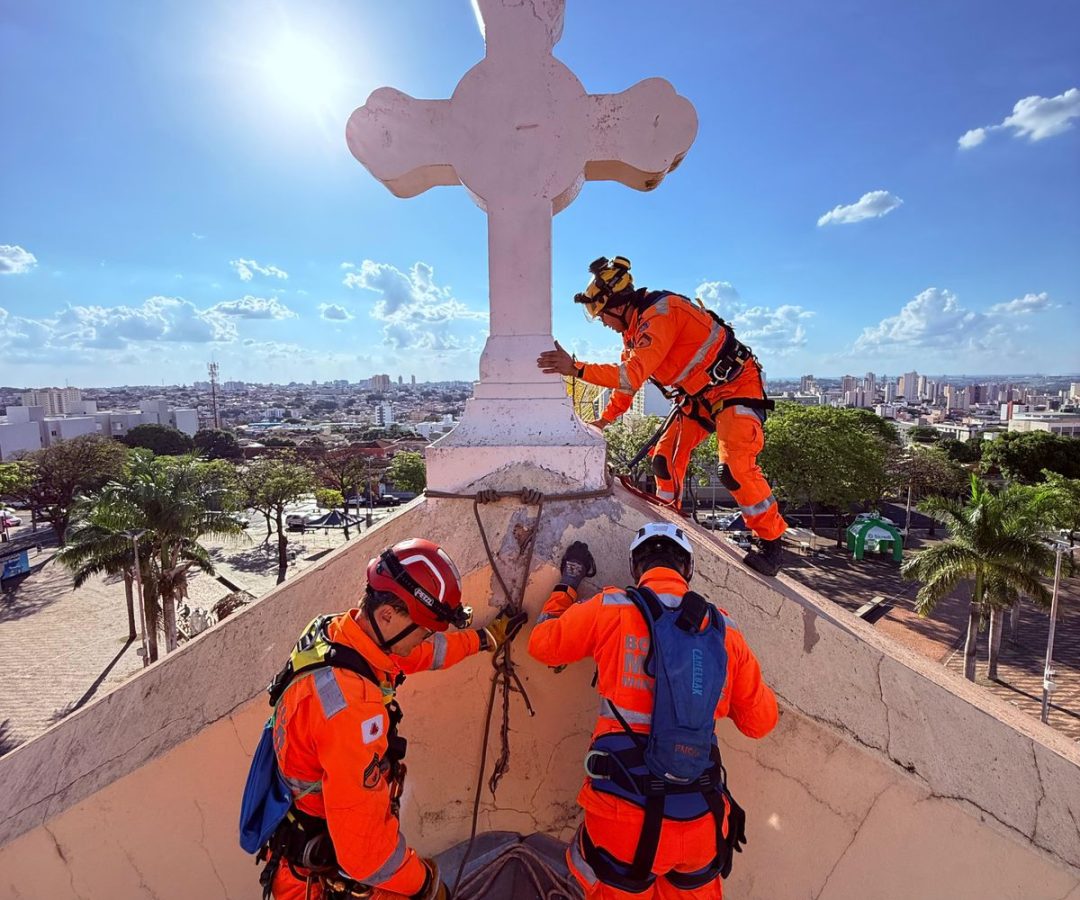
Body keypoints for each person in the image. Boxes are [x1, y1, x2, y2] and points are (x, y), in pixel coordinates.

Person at [259, 538, 527, 900]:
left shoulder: (336, 635)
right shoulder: (351, 709)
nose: (424, 640)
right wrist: (428, 884)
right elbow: (366, 857)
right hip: (320, 881)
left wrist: (485, 639)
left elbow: (424, 653)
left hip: (310, 848)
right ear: (387, 615)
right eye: (423, 630)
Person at [528, 526, 778, 899]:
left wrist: (567, 587)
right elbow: (760, 723)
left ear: (635, 567)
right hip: (699, 818)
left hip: (622, 817)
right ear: (688, 568)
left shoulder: (611, 608)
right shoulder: (724, 630)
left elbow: (543, 646)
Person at [537, 256, 787, 576]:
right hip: (699, 397)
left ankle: (772, 542)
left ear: (618, 305)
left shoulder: (662, 314)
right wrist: (604, 421)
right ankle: (669, 517)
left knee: (734, 468)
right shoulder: (634, 333)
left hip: (735, 387)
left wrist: (576, 368)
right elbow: (627, 385)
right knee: (663, 460)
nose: (603, 323)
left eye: (603, 315)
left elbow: (631, 374)